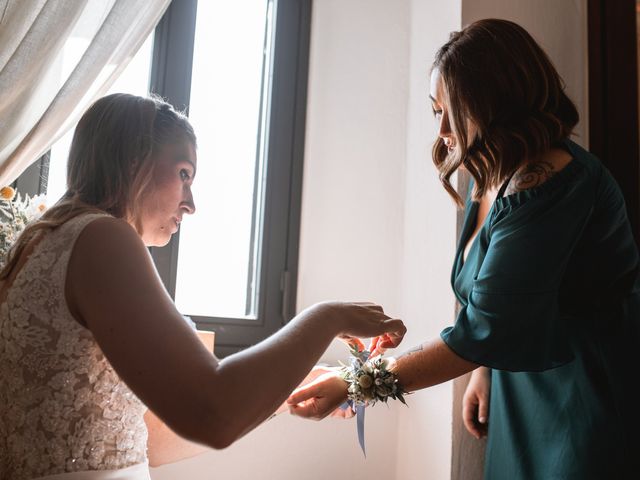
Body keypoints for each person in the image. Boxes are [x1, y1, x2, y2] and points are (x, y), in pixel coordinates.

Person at [286, 18, 640, 480]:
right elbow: (500, 301)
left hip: (581, 396)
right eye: (437, 110)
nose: (445, 130)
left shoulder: (552, 182)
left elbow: (486, 328)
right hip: (521, 389)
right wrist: (486, 370)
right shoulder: (489, 172)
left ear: (501, 101)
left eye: (458, 109)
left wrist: (356, 385)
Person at [0, 93, 407, 480]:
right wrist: (327, 317)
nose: (190, 203)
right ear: (133, 162)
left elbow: (151, 441)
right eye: (183, 174)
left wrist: (288, 389)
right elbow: (212, 414)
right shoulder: (102, 239)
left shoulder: (41, 243)